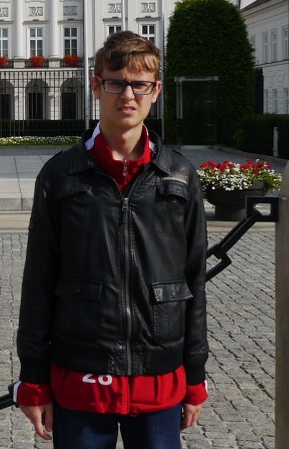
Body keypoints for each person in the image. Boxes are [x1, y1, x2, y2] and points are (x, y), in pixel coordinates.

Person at [15, 31, 208, 449]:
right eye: (116, 82)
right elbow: (39, 280)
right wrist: (33, 378)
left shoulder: (178, 175)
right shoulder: (61, 175)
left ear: (155, 91)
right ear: (96, 86)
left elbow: (194, 280)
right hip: (83, 370)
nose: (128, 94)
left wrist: (195, 374)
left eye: (141, 83)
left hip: (159, 372)